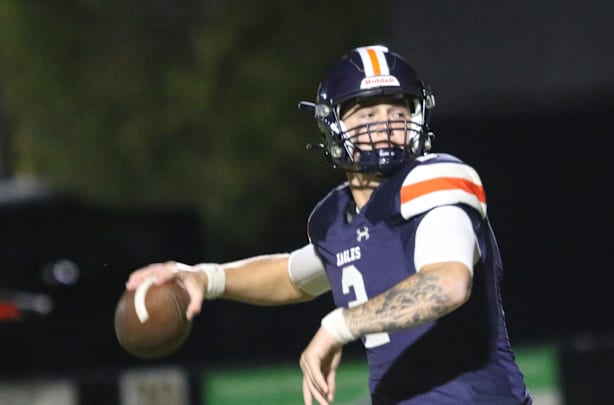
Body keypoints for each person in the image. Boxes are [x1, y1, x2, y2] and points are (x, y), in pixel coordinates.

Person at [126, 44, 532, 405]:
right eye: (368, 113)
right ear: (333, 126)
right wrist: (205, 277)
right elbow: (291, 276)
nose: (387, 125)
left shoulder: (431, 183)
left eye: (398, 110)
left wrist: (337, 327)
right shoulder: (335, 218)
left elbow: (446, 283)